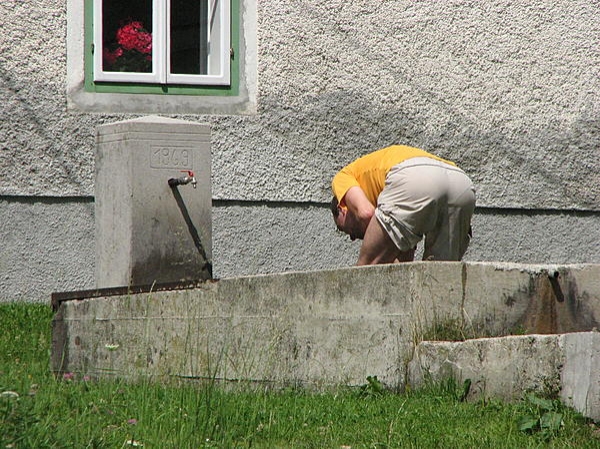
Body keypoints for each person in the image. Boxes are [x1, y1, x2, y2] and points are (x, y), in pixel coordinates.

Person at [331, 144, 476, 265]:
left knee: (364, 273)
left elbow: (366, 214)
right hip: (460, 182)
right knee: (440, 277)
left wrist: (374, 241)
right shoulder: (390, 196)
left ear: (342, 208)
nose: (352, 237)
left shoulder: (342, 177)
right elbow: (404, 262)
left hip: (414, 176)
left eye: (342, 228)